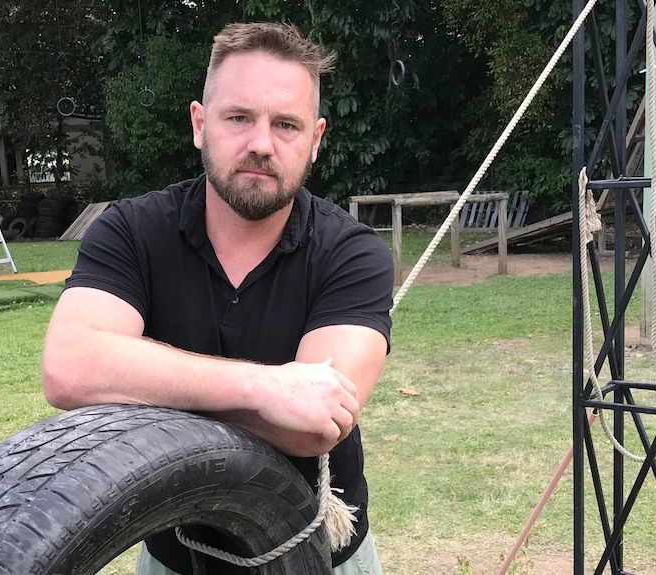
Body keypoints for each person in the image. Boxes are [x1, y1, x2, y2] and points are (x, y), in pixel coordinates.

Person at [42, 22, 393, 575]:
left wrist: (141, 388)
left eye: (286, 125)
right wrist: (266, 387)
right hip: (172, 558)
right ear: (200, 124)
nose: (260, 143)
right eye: (238, 118)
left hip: (317, 560)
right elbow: (69, 369)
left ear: (316, 139)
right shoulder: (129, 231)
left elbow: (311, 426)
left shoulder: (353, 253)